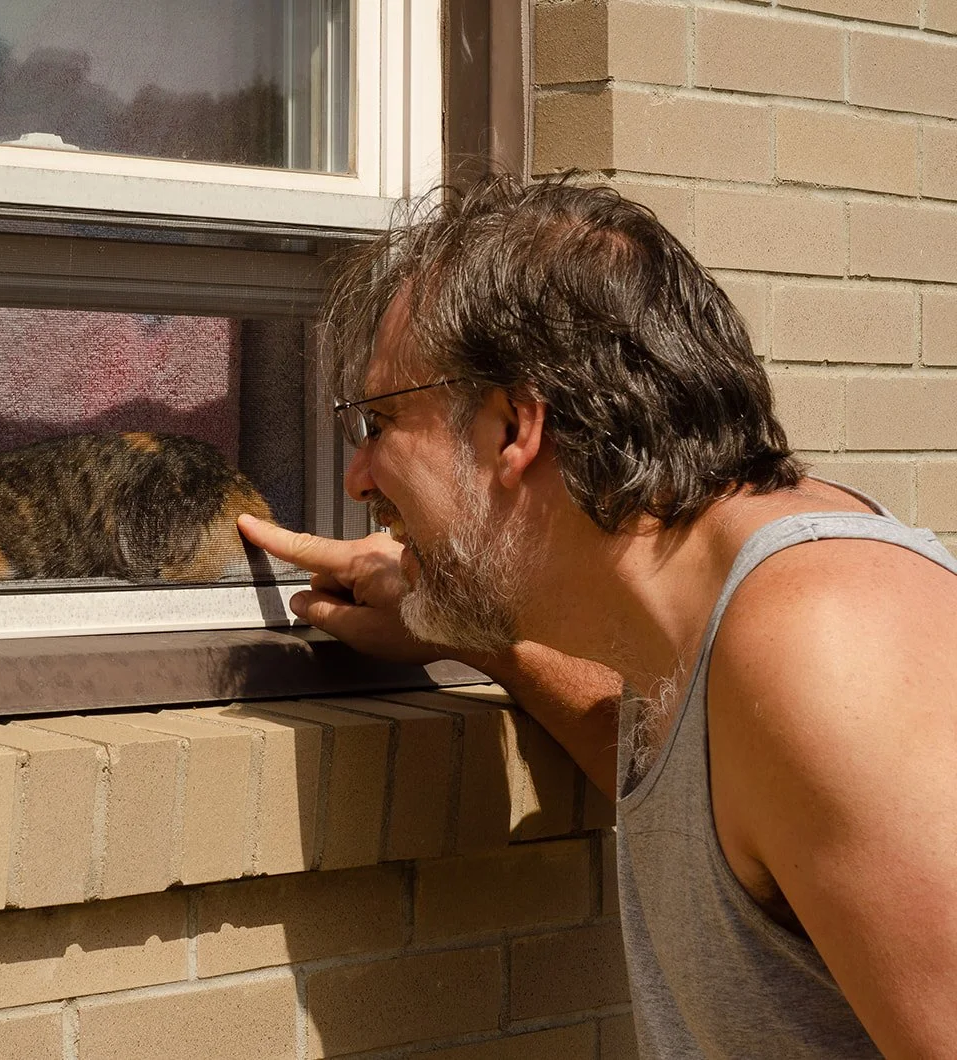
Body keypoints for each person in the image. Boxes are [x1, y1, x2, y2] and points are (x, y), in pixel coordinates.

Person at [238, 176, 957, 1057]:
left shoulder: (828, 644)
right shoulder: (717, 636)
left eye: (380, 422)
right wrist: (469, 623)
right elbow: (709, 803)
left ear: (513, 425)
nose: (354, 477)